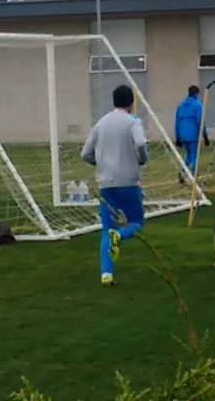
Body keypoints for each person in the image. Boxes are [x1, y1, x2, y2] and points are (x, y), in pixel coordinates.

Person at [81, 85, 148, 286]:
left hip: (106, 184)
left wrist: (99, 164)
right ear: (131, 102)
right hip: (128, 182)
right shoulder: (133, 122)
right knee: (137, 222)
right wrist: (141, 159)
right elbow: (141, 144)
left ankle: (106, 274)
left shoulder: (100, 124)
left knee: (106, 228)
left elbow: (85, 153)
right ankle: (120, 234)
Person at [174, 85, 209, 182]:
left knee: (189, 155)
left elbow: (177, 122)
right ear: (197, 94)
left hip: (183, 135)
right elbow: (200, 121)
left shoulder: (181, 106)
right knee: (195, 156)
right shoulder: (197, 105)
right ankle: (194, 177)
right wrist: (205, 136)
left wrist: (177, 136)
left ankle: (182, 171)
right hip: (193, 135)